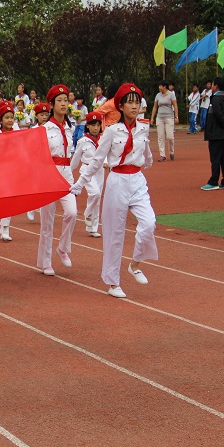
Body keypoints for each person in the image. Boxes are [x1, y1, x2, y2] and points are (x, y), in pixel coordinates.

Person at [70, 83, 156, 299]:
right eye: (130, 102)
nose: (135, 106)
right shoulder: (112, 131)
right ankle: (113, 282)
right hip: (117, 181)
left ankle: (135, 264)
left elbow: (147, 154)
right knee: (115, 233)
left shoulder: (143, 127)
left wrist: (147, 160)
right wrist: (80, 183)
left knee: (149, 223)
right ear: (120, 106)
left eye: (137, 102)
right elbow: (97, 160)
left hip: (137, 180)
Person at [37, 85, 77, 276]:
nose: (63, 104)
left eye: (66, 100)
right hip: (49, 175)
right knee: (47, 222)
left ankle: (62, 248)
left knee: (72, 212)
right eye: (59, 101)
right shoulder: (44, 129)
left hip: (67, 174)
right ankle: (45, 262)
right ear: (51, 104)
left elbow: (72, 153)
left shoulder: (70, 128)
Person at [70, 112, 105, 238]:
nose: (96, 128)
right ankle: (87, 213)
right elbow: (75, 159)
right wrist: (69, 171)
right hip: (86, 170)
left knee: (98, 197)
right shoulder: (83, 141)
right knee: (95, 193)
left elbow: (105, 155)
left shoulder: (104, 139)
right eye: (92, 125)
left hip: (99, 170)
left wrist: (106, 163)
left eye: (98, 125)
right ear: (87, 126)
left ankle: (93, 227)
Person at [0, 101, 19, 241]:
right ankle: (4, 226)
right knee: (5, 198)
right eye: (7, 117)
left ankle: (5, 227)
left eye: (11, 117)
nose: (10, 120)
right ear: (1, 120)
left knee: (10, 198)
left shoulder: (19, 135)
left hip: (13, 170)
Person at [200, 76, 224, 191]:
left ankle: (214, 181)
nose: (211, 87)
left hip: (216, 133)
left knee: (215, 158)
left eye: (213, 85)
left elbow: (218, 114)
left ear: (216, 86)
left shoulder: (215, 99)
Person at [151, 80, 178, 161]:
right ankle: (162, 155)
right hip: (160, 118)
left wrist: (176, 117)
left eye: (160, 86)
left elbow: (175, 106)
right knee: (160, 137)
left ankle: (171, 152)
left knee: (170, 137)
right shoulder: (158, 95)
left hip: (169, 117)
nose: (159, 88)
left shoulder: (171, 94)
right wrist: (152, 118)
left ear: (164, 86)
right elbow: (155, 107)